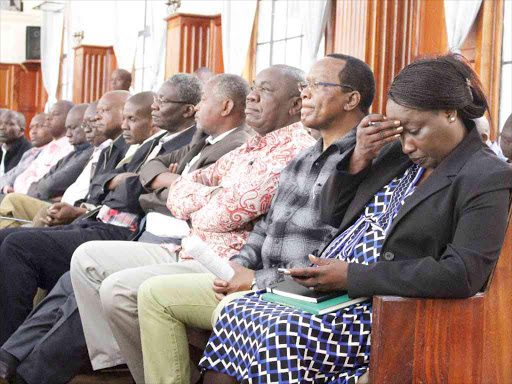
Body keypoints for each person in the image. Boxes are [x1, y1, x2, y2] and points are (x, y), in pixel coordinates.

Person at [189, 54, 512, 384]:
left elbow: (462, 274)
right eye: (400, 132)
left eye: (415, 131)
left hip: (386, 308)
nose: (408, 144)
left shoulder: (485, 174)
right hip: (335, 293)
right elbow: (331, 216)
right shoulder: (397, 153)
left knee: (280, 331)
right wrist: (357, 160)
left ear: (450, 113)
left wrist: (353, 276)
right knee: (236, 312)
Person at [131, 53, 376, 384]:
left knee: (225, 317)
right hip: (256, 279)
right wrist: (236, 266)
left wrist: (258, 280)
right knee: (153, 293)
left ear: (352, 99)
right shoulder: (304, 156)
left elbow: (330, 253)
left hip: (300, 290)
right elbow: (265, 226)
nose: (306, 93)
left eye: (316, 85)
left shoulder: (363, 160)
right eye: (305, 86)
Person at [69, 65, 315, 384]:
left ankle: (157, 375)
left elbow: (220, 215)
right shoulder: (254, 145)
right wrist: (207, 193)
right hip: (191, 246)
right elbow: (186, 195)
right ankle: (126, 366)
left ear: (296, 104)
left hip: (225, 261)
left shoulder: (292, 149)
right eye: (253, 87)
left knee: (120, 289)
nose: (251, 96)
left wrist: (194, 193)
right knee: (87, 258)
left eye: (265, 90)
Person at [0, 74, 249, 384]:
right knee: (69, 276)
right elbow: (139, 176)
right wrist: (162, 183)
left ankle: (32, 375)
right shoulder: (201, 138)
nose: (199, 107)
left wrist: (162, 187)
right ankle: (10, 355)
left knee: (88, 276)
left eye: (204, 101)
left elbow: (175, 201)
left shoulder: (238, 145)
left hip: (183, 244)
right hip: (148, 232)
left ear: (225, 106)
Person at [0, 78, 200, 347]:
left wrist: (123, 182)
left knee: (18, 246)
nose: (155, 106)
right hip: (96, 218)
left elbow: (133, 197)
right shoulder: (154, 141)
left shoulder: (186, 144)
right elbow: (103, 184)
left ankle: (9, 342)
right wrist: (125, 180)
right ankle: (13, 347)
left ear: (189, 109)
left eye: (162, 102)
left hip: (123, 232)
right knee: (8, 240)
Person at [0, 104, 92, 228]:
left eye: (73, 128)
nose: (69, 134)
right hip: (41, 198)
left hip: (62, 206)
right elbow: (31, 176)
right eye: (68, 128)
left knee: (12, 201)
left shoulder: (86, 153)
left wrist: (35, 187)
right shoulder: (73, 153)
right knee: (10, 221)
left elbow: (50, 185)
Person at [11, 101, 75, 195]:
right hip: (28, 195)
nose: (48, 118)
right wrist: (27, 190)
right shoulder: (49, 147)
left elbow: (50, 185)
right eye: (48, 114)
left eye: (55, 114)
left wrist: (28, 188)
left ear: (70, 119)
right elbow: (22, 178)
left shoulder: (71, 148)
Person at [0, 114, 51, 194]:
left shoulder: (49, 152)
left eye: (39, 126)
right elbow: (11, 174)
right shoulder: (30, 152)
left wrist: (5, 187)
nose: (33, 132)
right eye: (31, 127)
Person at [0, 110, 32, 177]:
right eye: (0, 123)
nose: (2, 127)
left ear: (22, 129)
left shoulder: (29, 151)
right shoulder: (2, 147)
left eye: (9, 124)